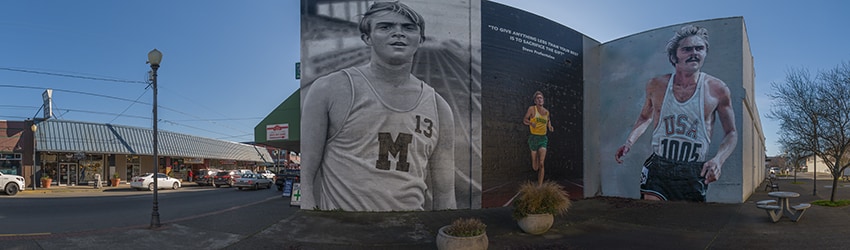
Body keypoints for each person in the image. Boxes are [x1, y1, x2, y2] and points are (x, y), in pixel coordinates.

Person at [300, 1, 456, 211]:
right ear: (367, 37)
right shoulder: (329, 89)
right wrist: (309, 226)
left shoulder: (439, 107)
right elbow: (306, 174)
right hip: (343, 233)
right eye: (385, 27)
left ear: (421, 40)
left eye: (408, 27)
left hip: (409, 234)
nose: (398, 33)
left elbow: (445, 193)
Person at [614, 24, 738, 202]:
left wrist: (719, 159)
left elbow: (731, 132)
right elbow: (644, 117)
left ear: (705, 53)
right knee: (652, 217)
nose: (694, 53)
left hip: (694, 171)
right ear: (674, 56)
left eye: (699, 48)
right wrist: (629, 142)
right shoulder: (656, 85)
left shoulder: (717, 89)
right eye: (687, 49)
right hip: (659, 167)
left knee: (684, 224)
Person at [523, 91, 554, 185]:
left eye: (541, 98)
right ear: (535, 101)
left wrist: (550, 126)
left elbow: (548, 120)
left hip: (542, 139)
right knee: (535, 167)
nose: (540, 99)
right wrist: (531, 123)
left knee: (541, 163)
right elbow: (524, 120)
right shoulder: (532, 109)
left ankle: (540, 186)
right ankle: (534, 159)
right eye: (538, 98)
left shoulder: (546, 112)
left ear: (543, 100)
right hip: (533, 138)